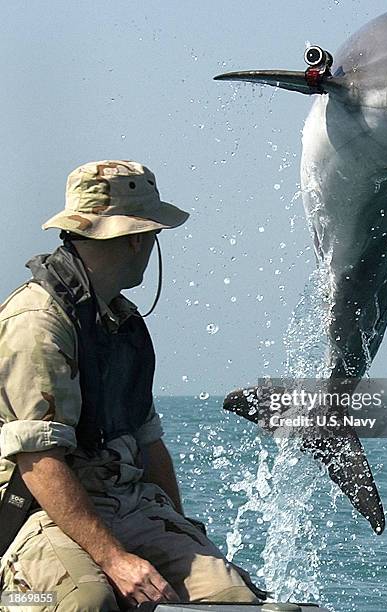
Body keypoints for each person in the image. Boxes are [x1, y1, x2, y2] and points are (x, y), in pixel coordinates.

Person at [0, 160, 262, 611]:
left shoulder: (122, 322)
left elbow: (147, 442)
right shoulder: (38, 322)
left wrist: (179, 532)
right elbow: (39, 461)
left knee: (232, 600)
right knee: (86, 602)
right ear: (140, 236)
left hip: (124, 502)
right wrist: (116, 559)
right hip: (36, 511)